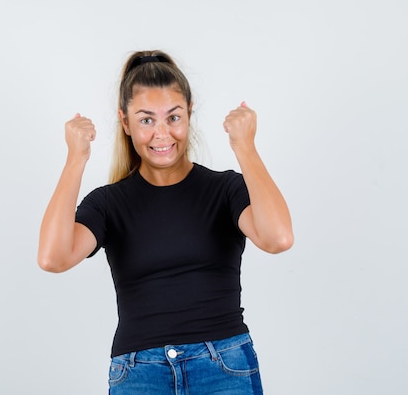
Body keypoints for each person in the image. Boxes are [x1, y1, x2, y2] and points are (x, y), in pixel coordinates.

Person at [38, 50, 293, 394]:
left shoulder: (225, 190)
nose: (162, 134)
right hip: (140, 375)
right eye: (146, 120)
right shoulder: (109, 204)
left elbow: (278, 238)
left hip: (224, 369)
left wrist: (245, 146)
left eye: (173, 117)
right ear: (125, 122)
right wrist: (76, 158)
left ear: (189, 114)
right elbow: (53, 258)